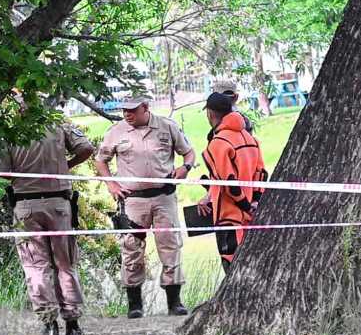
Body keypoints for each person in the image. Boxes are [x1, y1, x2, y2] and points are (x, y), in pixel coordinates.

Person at [94, 95, 195, 319]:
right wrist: (111, 184)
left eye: (132, 110)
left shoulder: (167, 127)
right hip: (133, 200)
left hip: (164, 197)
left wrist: (185, 167)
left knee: (170, 246)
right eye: (124, 110)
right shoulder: (116, 131)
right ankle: (135, 305)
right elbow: (100, 160)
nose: (127, 114)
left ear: (145, 108)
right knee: (131, 248)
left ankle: (174, 302)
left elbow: (188, 152)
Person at [0, 117, 94, 335]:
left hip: (26, 205)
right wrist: (65, 166)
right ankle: (73, 325)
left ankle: (49, 325)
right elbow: (86, 148)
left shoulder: (10, 132)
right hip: (59, 204)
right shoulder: (59, 125)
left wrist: (25, 177)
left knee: (35, 266)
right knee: (65, 264)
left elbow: (0, 170)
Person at [198, 92, 267, 274]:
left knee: (233, 267)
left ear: (210, 114)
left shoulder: (218, 143)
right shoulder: (250, 139)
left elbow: (229, 183)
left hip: (229, 217)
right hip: (252, 214)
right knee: (252, 266)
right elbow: (261, 173)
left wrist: (245, 206)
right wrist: (254, 202)